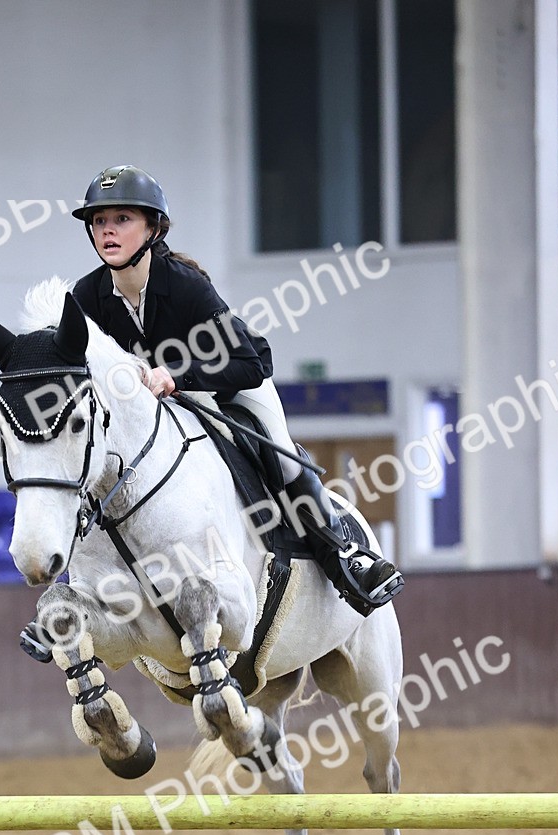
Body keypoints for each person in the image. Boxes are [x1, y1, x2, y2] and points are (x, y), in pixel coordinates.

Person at [20, 165, 403, 658]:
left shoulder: (183, 286)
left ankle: (343, 558)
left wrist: (177, 376)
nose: (107, 230)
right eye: (98, 221)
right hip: (152, 409)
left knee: (281, 455)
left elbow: (248, 361)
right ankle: (74, 605)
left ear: (153, 228)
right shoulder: (87, 297)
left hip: (229, 386)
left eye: (121, 218)